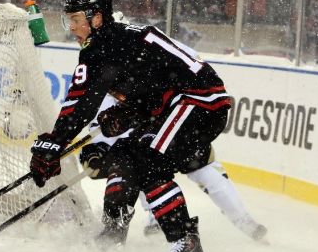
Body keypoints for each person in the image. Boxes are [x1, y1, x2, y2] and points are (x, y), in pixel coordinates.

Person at [29, 0, 231, 252]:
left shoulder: (105, 45)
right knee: (123, 155)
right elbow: (155, 83)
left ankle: (186, 246)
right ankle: (112, 236)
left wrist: (54, 143)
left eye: (75, 20)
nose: (71, 27)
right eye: (68, 20)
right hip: (183, 104)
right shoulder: (114, 41)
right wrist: (130, 112)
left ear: (96, 17)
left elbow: (81, 105)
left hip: (198, 102)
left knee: (147, 163)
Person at [81, 93, 267, 242]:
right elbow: (103, 142)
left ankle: (245, 222)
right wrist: (95, 152)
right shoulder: (105, 98)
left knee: (200, 169)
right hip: (168, 135)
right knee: (138, 162)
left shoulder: (142, 75)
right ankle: (158, 219)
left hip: (174, 132)